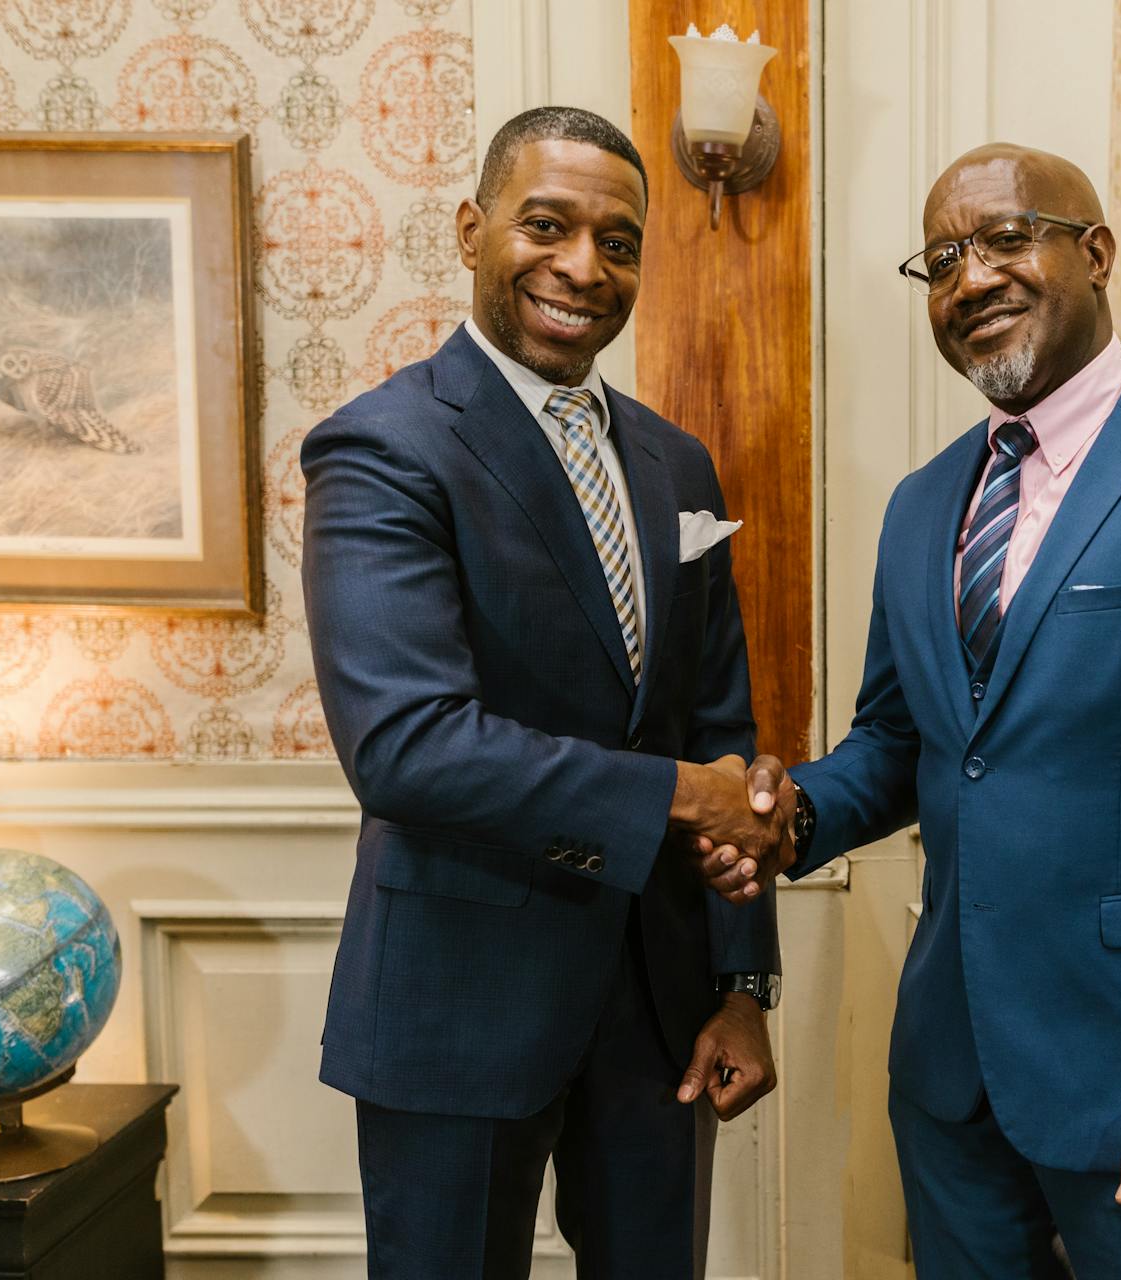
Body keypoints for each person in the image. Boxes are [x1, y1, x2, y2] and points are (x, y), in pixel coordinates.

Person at [712, 143, 1121, 1276]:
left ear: (1097, 252)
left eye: (1009, 238)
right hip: (948, 1085)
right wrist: (793, 815)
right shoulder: (923, 507)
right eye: (944, 259)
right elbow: (901, 744)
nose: (971, 278)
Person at [301, 106, 790, 1280]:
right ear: (474, 229)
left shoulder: (678, 462)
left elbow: (721, 732)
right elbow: (409, 746)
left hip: (662, 1010)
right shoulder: (380, 449)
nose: (583, 266)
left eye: (618, 241)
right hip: (458, 1003)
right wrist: (681, 795)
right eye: (547, 225)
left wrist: (741, 979)